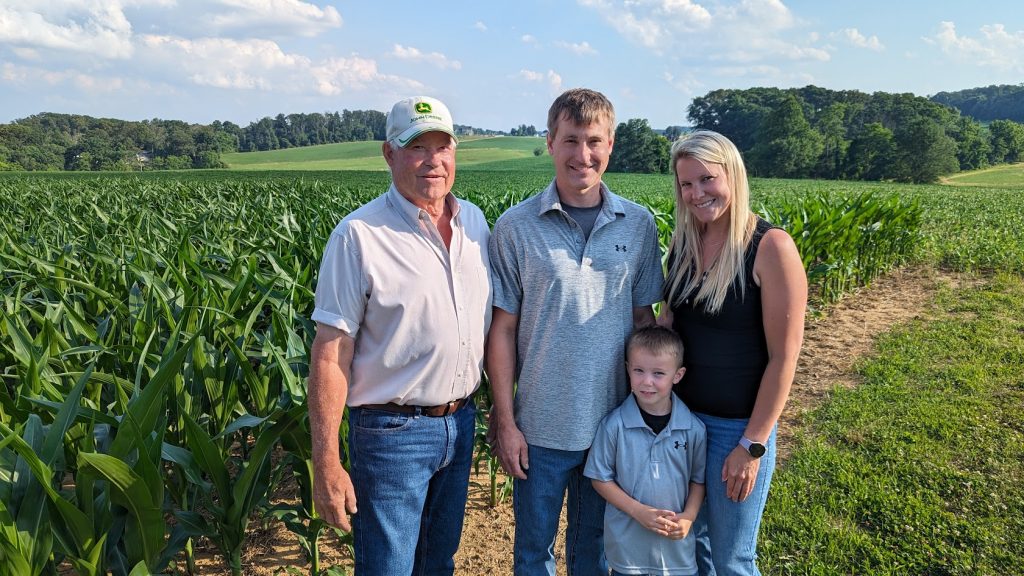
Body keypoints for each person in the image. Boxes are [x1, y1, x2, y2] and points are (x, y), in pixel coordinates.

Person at [307, 95, 492, 575]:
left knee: (438, 563)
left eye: (443, 146)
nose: (433, 161)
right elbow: (330, 355)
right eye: (416, 148)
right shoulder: (358, 235)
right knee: (388, 567)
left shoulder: (475, 222)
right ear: (389, 154)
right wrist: (326, 463)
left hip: (461, 422)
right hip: (392, 434)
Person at [487, 87, 665, 576]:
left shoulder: (639, 225)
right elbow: (502, 332)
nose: (581, 155)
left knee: (594, 550)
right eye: (569, 140)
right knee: (533, 553)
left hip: (612, 427)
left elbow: (644, 323)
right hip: (539, 429)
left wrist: (649, 417)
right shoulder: (515, 226)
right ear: (549, 143)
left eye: (593, 141)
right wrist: (506, 420)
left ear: (610, 146)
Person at [659, 130, 807, 576]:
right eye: (686, 184)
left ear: (733, 175)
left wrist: (752, 444)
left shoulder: (770, 247)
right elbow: (670, 324)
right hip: (682, 425)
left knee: (732, 558)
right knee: (693, 547)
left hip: (734, 430)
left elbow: (785, 357)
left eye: (706, 179)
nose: (696, 194)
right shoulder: (684, 243)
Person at [585, 325, 707, 576]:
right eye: (638, 370)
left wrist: (689, 516)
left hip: (677, 555)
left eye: (658, 373)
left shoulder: (693, 428)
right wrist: (638, 511)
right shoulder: (614, 425)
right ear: (628, 368)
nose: (647, 381)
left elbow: (698, 479)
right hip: (628, 553)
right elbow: (599, 477)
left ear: (678, 374)